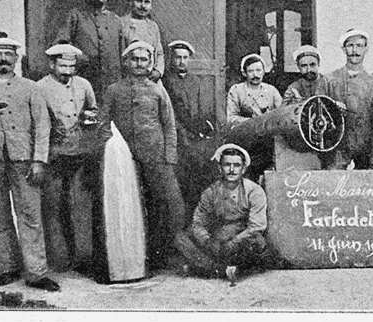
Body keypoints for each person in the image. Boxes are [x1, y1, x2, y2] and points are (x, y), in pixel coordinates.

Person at [0, 32, 59, 291]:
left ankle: (36, 272)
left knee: (30, 215)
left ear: (16, 58)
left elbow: (42, 126)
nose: (3, 59)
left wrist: (39, 160)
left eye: (8, 54)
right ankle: (9, 267)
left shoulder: (30, 88)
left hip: (23, 159)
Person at [99, 40, 186, 271]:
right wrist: (111, 150)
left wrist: (170, 156)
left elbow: (169, 125)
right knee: (129, 205)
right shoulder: (114, 90)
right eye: (135, 59)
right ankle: (131, 259)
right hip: (124, 159)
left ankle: (160, 255)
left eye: (144, 59)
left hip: (155, 155)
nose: (139, 64)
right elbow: (103, 123)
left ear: (150, 63)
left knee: (167, 204)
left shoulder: (158, 90)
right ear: (126, 62)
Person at [37, 42, 98, 272]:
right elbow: (37, 123)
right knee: (53, 206)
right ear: (52, 64)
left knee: (80, 206)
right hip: (54, 154)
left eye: (71, 66)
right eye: (62, 66)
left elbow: (94, 112)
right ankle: (58, 258)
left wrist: (88, 119)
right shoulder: (40, 88)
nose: (67, 72)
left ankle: (83, 258)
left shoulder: (84, 85)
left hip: (79, 153)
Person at [176, 144, 268, 283]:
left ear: (243, 169)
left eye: (237, 165)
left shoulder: (254, 191)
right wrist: (207, 240)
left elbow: (257, 226)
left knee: (257, 242)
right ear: (220, 168)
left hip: (241, 240)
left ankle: (208, 269)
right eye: (227, 165)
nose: (231, 170)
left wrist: (234, 242)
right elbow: (198, 222)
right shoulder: (211, 192)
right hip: (218, 240)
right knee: (181, 238)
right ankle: (223, 269)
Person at [315, 29, 373, 169]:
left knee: (365, 182)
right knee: (335, 180)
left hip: (365, 147)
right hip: (336, 147)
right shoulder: (329, 80)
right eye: (350, 45)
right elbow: (316, 110)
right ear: (343, 49)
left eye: (359, 46)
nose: (355, 50)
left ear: (366, 49)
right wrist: (332, 106)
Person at [55, 0, 124, 101]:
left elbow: (123, 53)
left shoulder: (116, 21)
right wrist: (79, 59)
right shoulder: (75, 16)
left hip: (111, 81)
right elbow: (61, 45)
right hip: (83, 78)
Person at [162, 40, 210, 143]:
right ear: (172, 58)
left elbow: (200, 109)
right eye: (178, 57)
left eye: (185, 58)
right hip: (175, 131)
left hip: (194, 130)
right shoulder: (166, 81)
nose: (182, 62)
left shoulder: (195, 81)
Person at [121, 0, 165, 84]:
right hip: (128, 77)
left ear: (151, 5)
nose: (143, 6)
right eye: (139, 1)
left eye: (147, 2)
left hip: (151, 77)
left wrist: (158, 71)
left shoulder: (153, 26)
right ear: (131, 2)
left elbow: (159, 52)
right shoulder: (122, 23)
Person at [226, 53, 282, 126]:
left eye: (258, 70)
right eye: (250, 71)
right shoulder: (236, 90)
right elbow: (231, 118)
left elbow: (281, 113)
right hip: (245, 130)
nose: (255, 75)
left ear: (263, 71)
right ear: (244, 73)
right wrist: (255, 122)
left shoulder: (271, 90)